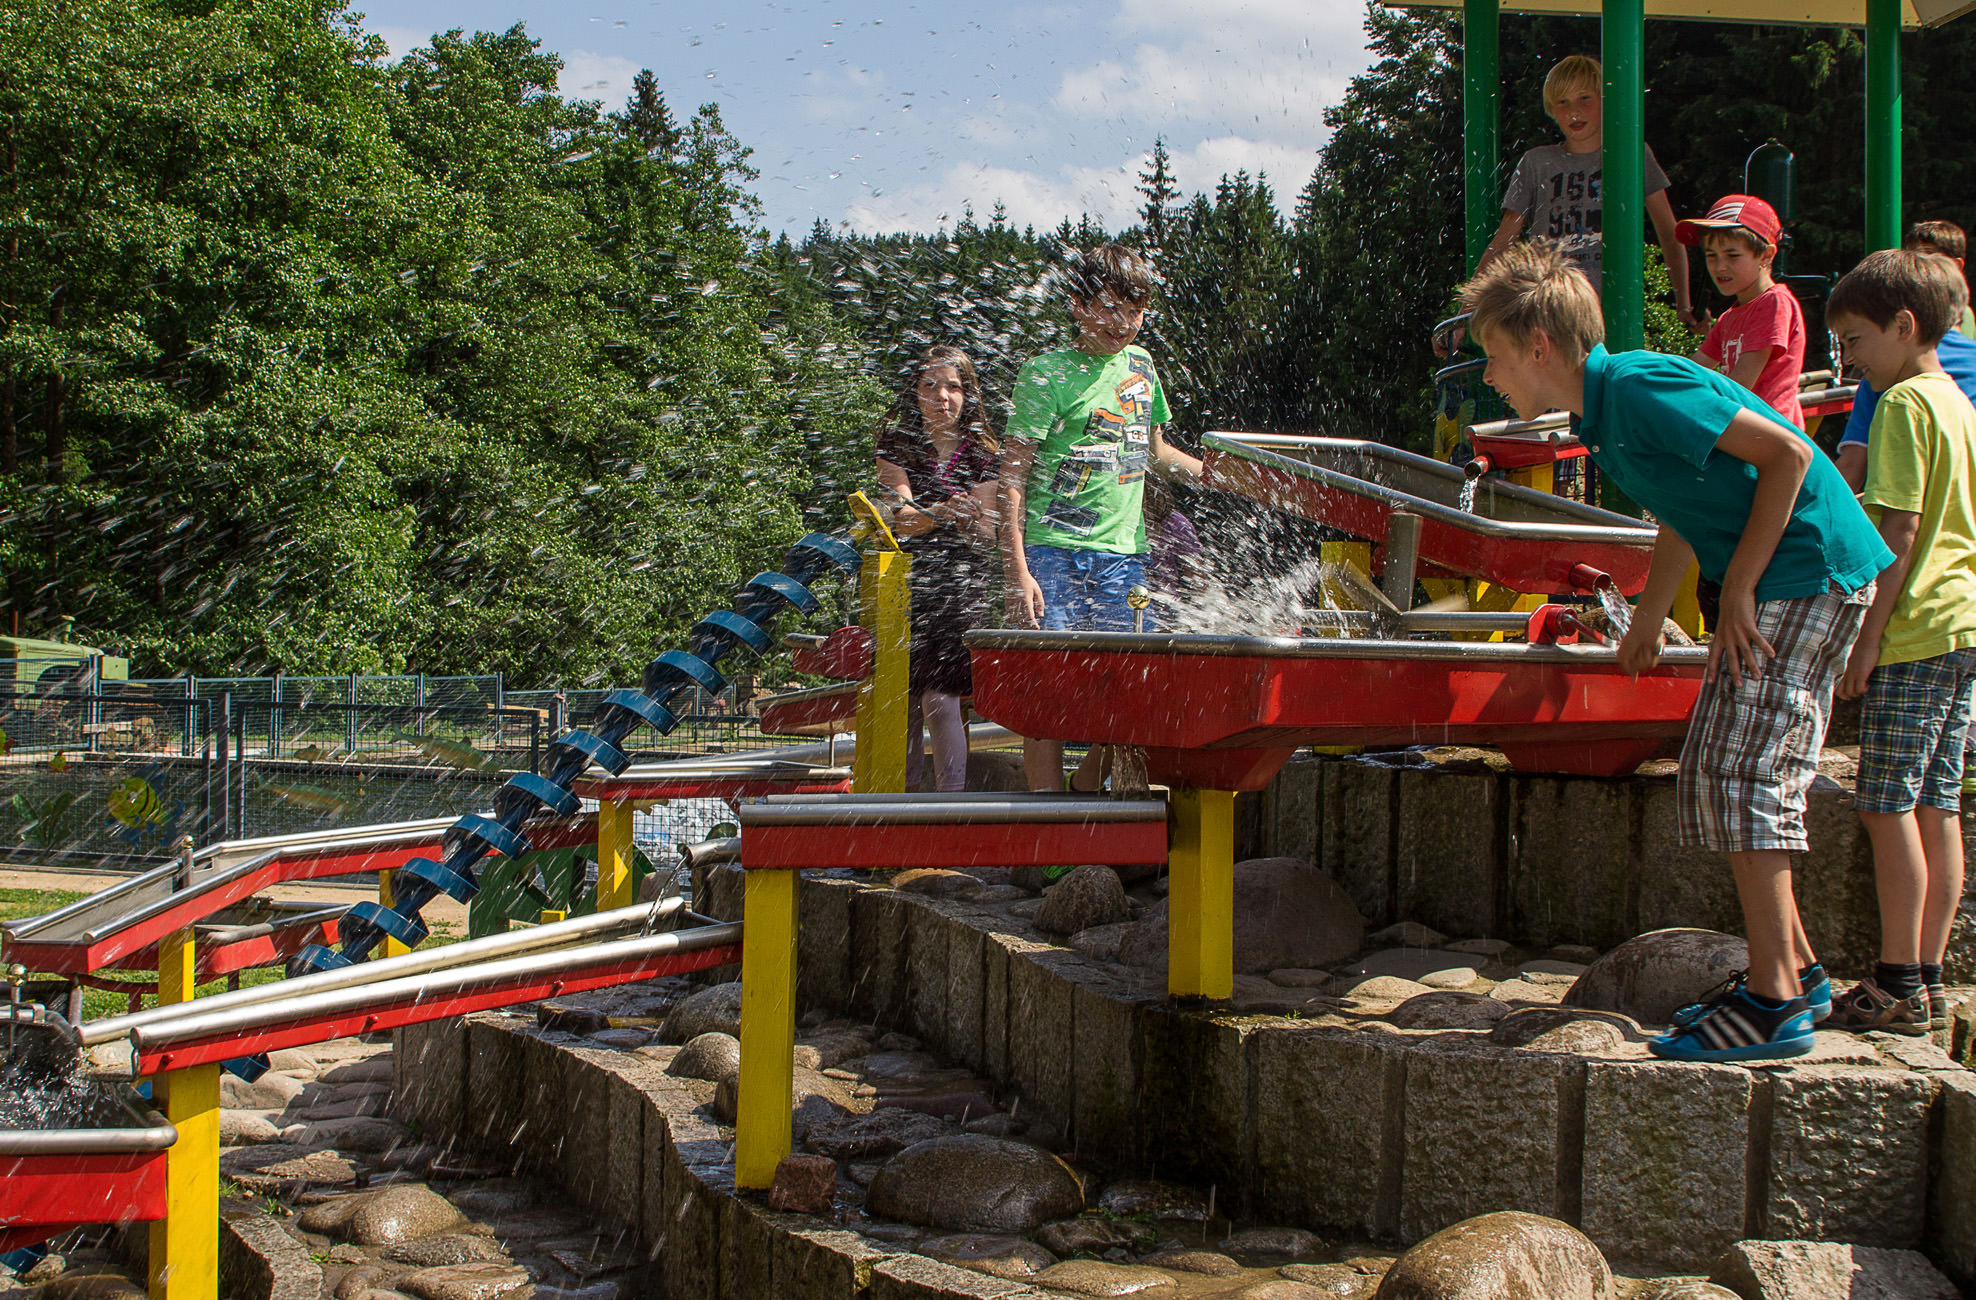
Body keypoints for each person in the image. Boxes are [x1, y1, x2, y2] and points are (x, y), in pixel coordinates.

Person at [1459, 240, 1892, 1064]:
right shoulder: (1604, 415)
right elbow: (1681, 505)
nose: (1491, 377)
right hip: (1779, 578)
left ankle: (1774, 1004)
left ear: (1540, 347)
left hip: (1808, 573)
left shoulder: (1642, 387)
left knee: (1747, 770)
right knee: (1717, 769)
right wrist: (1648, 619)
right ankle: (1796, 973)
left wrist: (1736, 591)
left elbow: (1790, 456)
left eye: (1494, 357)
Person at [1821, 251, 1976, 1038]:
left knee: (1887, 806)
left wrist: (1865, 642)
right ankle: (1933, 976)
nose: (1850, 359)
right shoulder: (1958, 402)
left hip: (1913, 632)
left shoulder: (1905, 405)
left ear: (1903, 326)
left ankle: (1896, 983)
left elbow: (1899, 528)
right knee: (1936, 804)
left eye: (1854, 340)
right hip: (1963, 626)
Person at [1001, 243, 1203, 794]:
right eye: (1110, 308)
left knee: (1130, 688)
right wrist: (1018, 570)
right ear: (1076, 305)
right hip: (1051, 552)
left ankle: (1089, 797)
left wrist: (1217, 473)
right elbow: (1012, 477)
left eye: (1135, 311)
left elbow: (1157, 452)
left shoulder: (1142, 368)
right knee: (1050, 689)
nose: (1124, 323)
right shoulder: (1046, 374)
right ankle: (1049, 820)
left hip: (1126, 556)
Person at [1444, 54, 1696, 357]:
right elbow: (1504, 242)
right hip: (1548, 309)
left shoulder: (1632, 153)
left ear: (1606, 100)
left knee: (1603, 391)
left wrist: (1683, 304)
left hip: (1610, 313)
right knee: (1550, 393)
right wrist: (1464, 314)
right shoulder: (1537, 162)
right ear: (1551, 110)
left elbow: (1669, 233)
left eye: (1585, 98)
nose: (1574, 111)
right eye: (1562, 102)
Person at [876, 345, 1001, 793]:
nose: (942, 396)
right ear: (915, 392)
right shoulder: (896, 446)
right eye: (930, 386)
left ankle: (952, 803)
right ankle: (898, 803)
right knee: (901, 700)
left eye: (953, 386)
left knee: (941, 697)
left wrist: (966, 521)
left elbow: (988, 535)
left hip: (960, 589)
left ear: (968, 395)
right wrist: (948, 511)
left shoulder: (985, 454)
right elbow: (901, 520)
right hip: (904, 586)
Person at [1681, 195, 1806, 429]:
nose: (1720, 267)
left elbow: (1739, 386)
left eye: (1733, 255)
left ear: (1766, 255)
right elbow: (1693, 370)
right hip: (1745, 430)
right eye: (1711, 256)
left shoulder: (1774, 303)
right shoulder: (1730, 317)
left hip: (1771, 435)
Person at [1905, 220, 1976, 340]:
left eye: (1929, 257)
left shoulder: (1961, 313)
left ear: (1956, 265)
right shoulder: (1902, 305)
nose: (1917, 264)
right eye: (1912, 256)